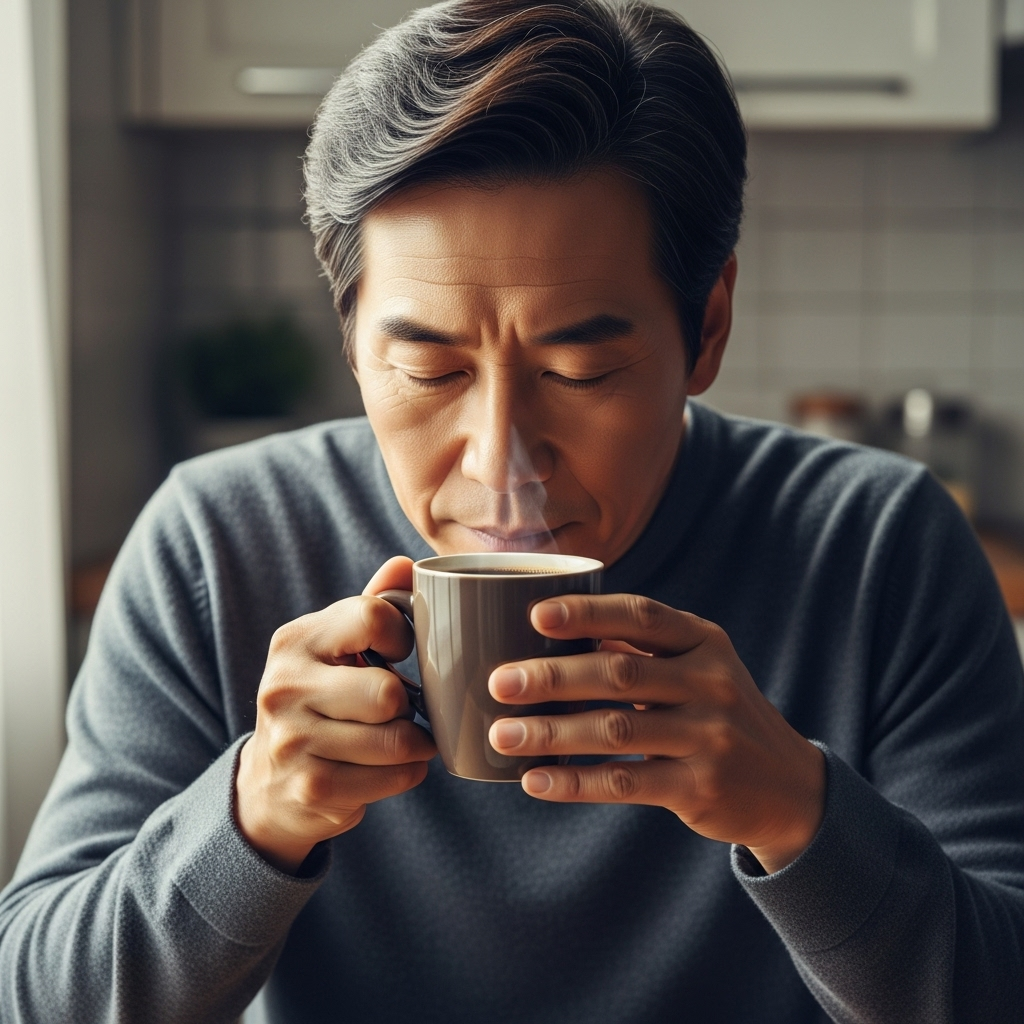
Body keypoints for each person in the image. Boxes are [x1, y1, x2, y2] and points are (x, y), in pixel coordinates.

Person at [2, 1, 1023, 1021]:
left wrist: (801, 814)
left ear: (706, 328)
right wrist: (248, 819)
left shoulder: (880, 545)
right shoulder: (218, 543)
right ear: (354, 343)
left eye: (579, 370)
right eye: (428, 368)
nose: (503, 465)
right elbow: (36, 996)